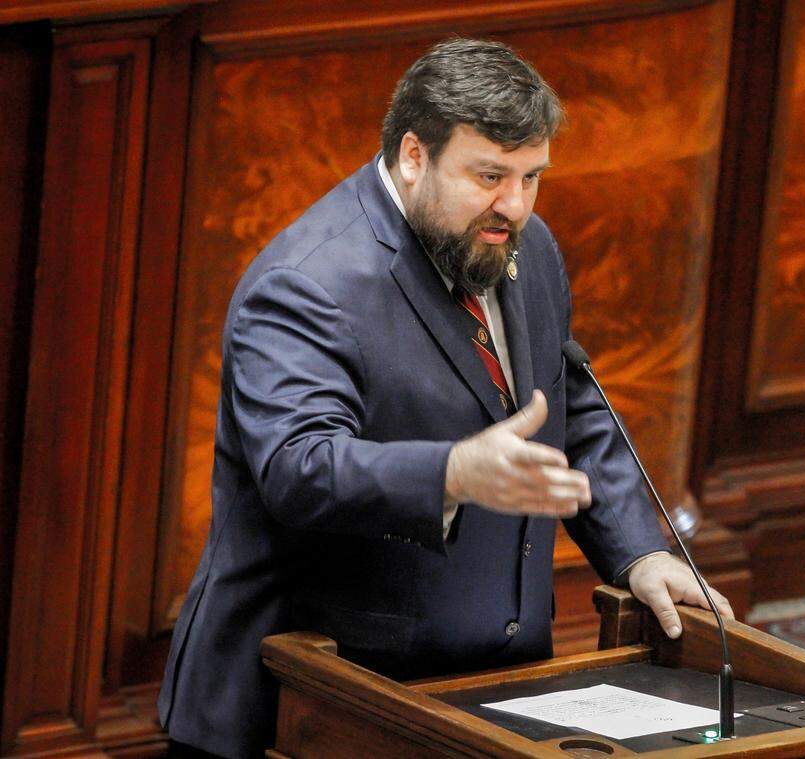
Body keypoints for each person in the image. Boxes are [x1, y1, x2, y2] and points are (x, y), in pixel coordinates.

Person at [158, 37, 734, 759]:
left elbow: (573, 412)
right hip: (310, 703)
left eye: (532, 177)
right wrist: (450, 475)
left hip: (486, 698)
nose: (516, 205)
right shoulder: (308, 283)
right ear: (413, 156)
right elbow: (298, 469)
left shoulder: (527, 248)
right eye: (490, 175)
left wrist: (638, 552)